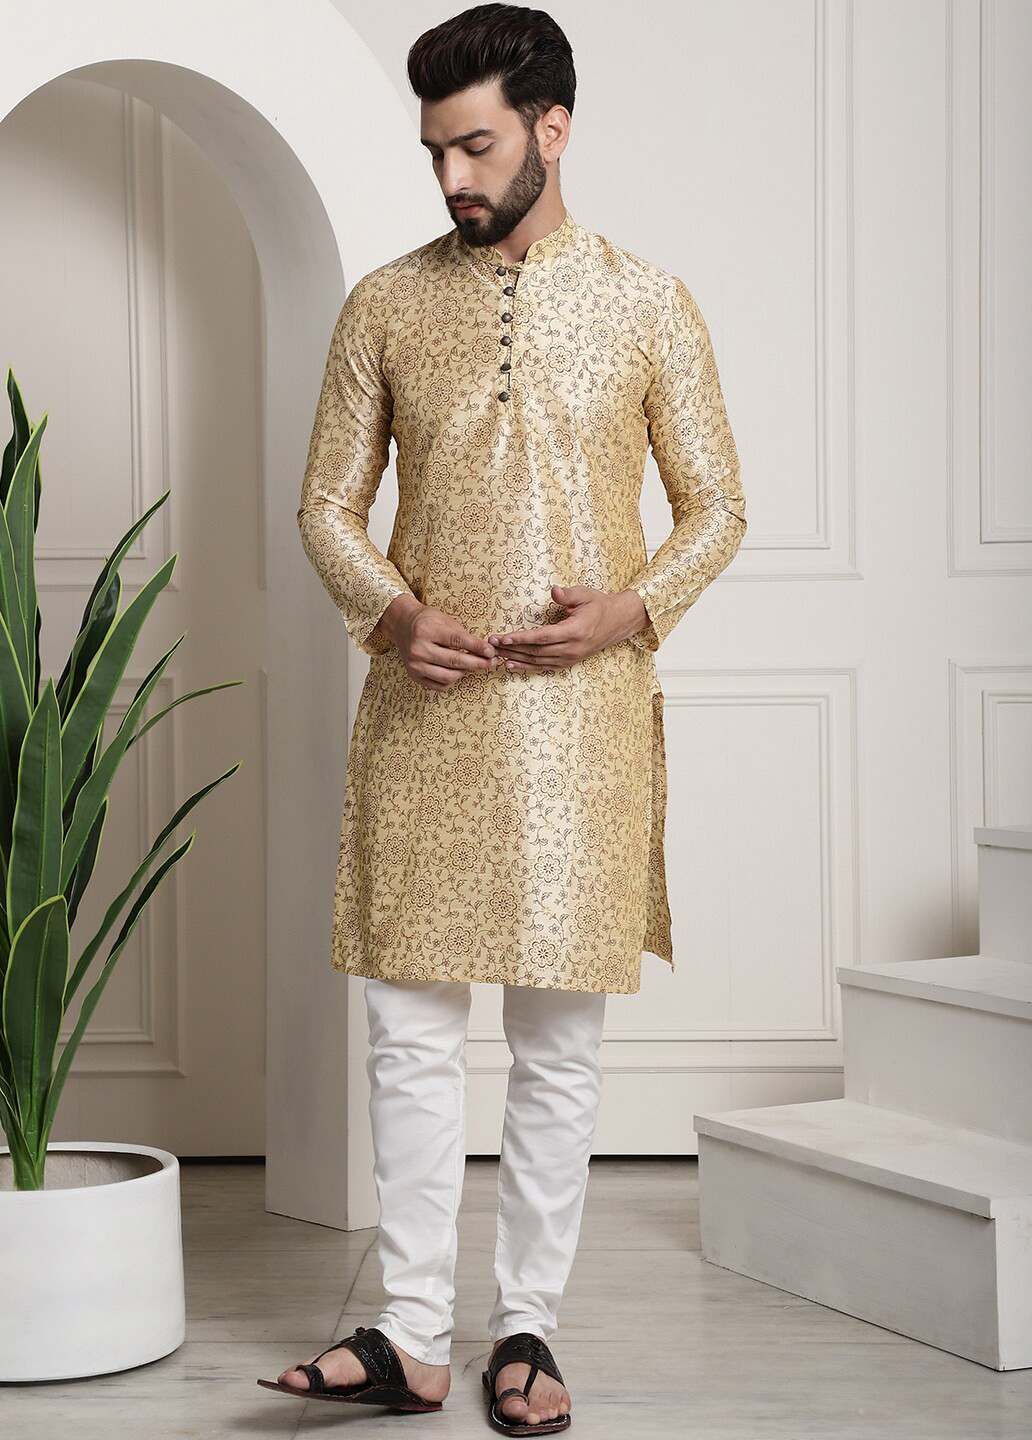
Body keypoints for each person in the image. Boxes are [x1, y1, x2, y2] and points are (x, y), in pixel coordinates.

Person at [261, 3, 746, 1431]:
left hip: (580, 726)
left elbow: (718, 505)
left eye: (475, 146)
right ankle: (411, 1336)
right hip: (426, 714)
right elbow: (326, 505)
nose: (452, 177)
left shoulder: (649, 302)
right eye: (435, 151)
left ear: (553, 128)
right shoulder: (386, 304)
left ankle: (527, 1331)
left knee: (558, 1048)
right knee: (409, 1037)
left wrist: (632, 608)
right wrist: (391, 614)